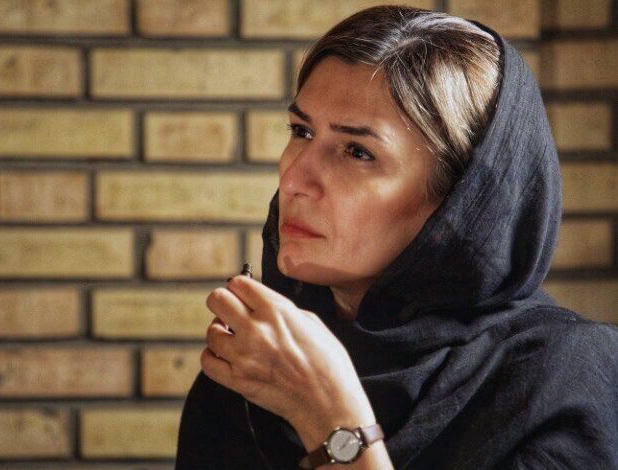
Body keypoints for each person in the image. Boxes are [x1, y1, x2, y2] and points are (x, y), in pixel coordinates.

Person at [175, 5, 618, 469]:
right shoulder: (255, 364)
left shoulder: (565, 380)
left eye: (357, 151)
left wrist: (331, 420)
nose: (293, 180)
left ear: (462, 199)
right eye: (301, 131)